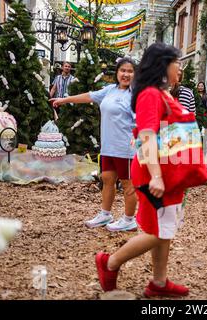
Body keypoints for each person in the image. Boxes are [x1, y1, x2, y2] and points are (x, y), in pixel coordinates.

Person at [94, 43, 190, 297]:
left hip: (168, 170)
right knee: (158, 231)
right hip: (155, 172)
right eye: (176, 63)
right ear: (163, 65)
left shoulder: (162, 92)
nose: (180, 68)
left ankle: (159, 283)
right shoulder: (150, 94)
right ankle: (110, 262)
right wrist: (157, 176)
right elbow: (146, 135)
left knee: (164, 228)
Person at [50, 58, 138, 232]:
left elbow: (142, 119)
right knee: (107, 180)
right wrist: (64, 100)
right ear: (117, 73)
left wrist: (139, 136)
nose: (126, 74)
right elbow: (89, 96)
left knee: (128, 184)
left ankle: (129, 219)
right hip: (108, 146)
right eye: (123, 70)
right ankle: (105, 215)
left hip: (125, 147)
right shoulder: (109, 90)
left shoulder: (136, 95)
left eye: (130, 71)